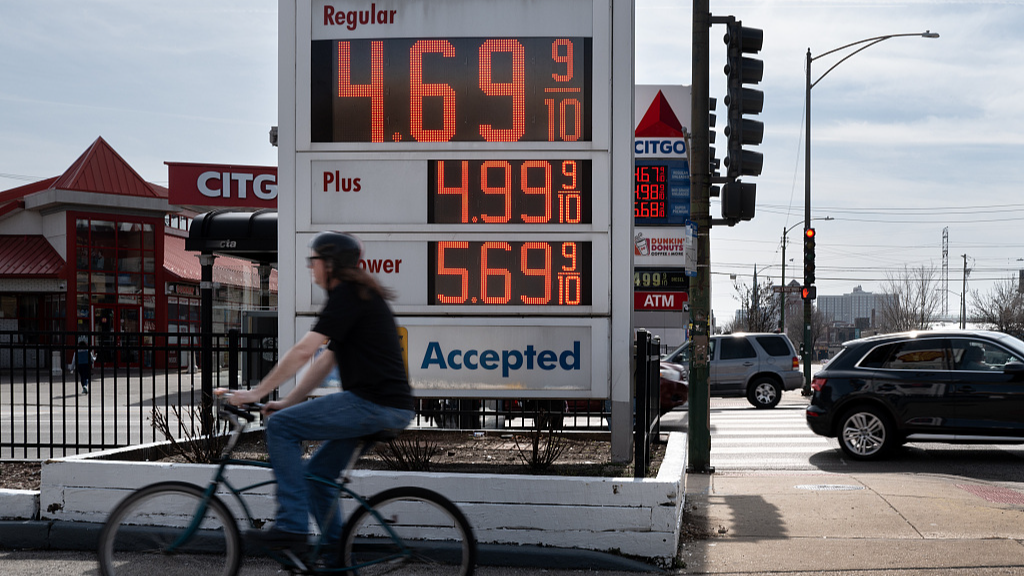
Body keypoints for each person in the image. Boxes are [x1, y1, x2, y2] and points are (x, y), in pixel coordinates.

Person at [221, 231, 415, 552]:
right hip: (384, 405)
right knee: (316, 477)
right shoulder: (358, 296)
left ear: (329, 264)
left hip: (372, 404)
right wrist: (285, 401)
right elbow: (325, 361)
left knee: (281, 428)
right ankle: (335, 559)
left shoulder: (349, 295)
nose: (311, 269)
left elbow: (303, 351)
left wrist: (257, 394)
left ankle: (291, 526)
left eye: (314, 262)